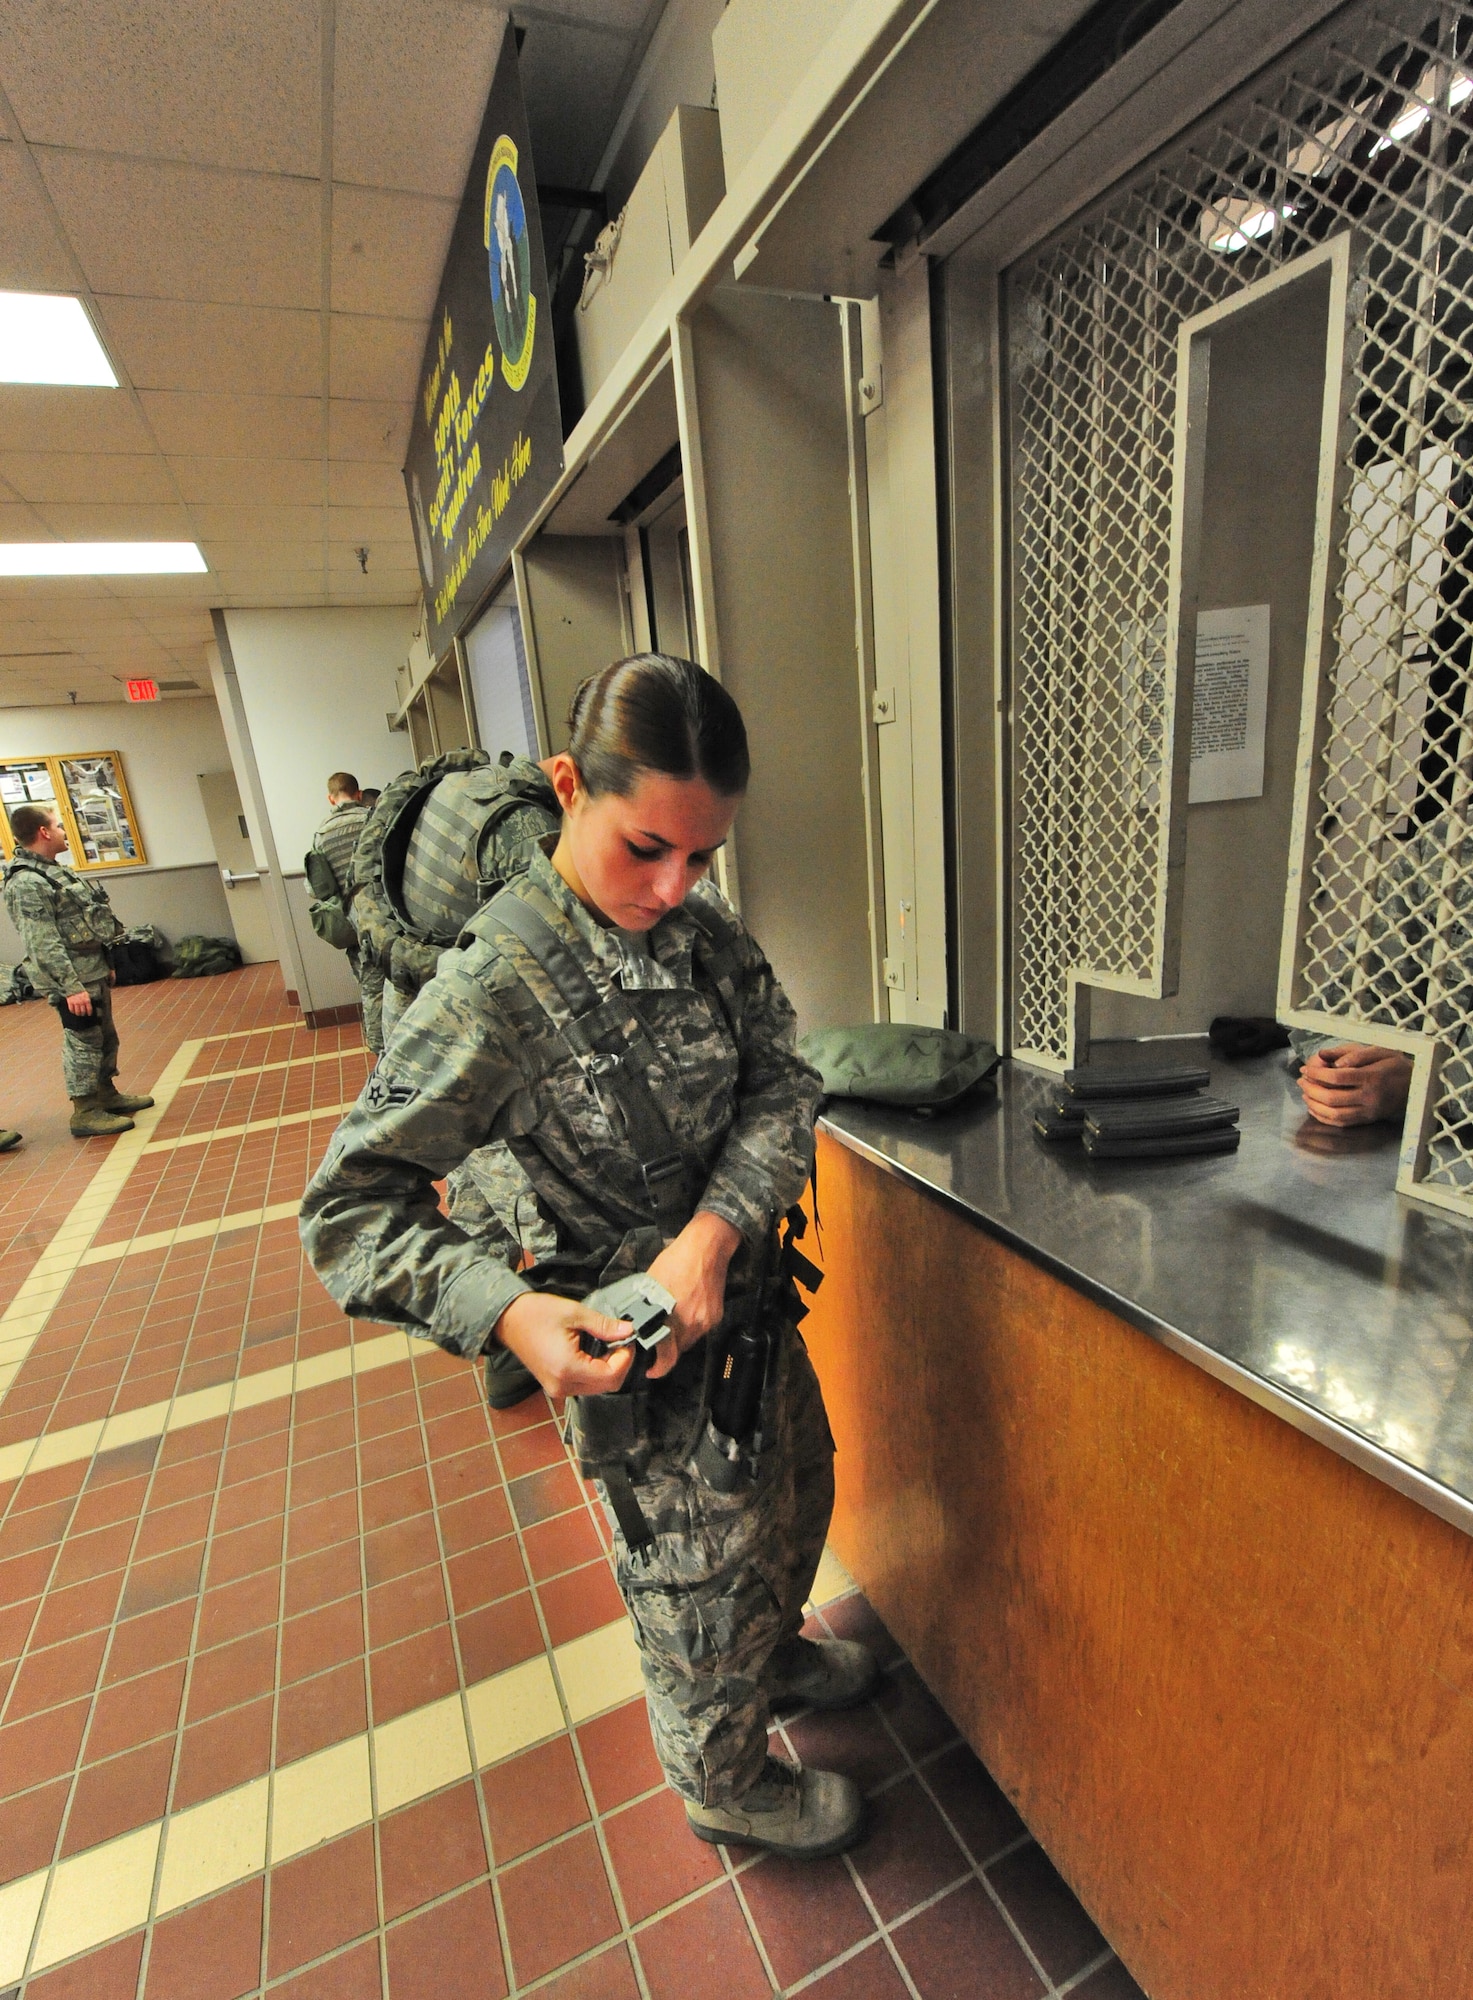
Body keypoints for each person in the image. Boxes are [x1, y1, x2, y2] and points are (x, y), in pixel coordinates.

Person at [301, 654, 873, 1860]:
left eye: (702, 855)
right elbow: (350, 1206)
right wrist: (509, 1315)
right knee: (694, 1596)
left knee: (792, 1503)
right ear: (568, 786)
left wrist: (713, 1236)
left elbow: (787, 1078)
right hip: (642, 1378)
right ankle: (726, 1779)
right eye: (645, 846)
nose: (673, 885)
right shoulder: (494, 987)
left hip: (751, 1318)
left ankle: (774, 1660)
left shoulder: (703, 938)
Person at [351, 747, 559, 1047]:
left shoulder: (458, 782)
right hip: (453, 1027)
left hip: (407, 1003)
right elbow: (546, 966)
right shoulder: (527, 827)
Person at [1291, 816, 1468, 1133]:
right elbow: (1346, 1003)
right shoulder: (1448, 844)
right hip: (1391, 1145)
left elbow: (1416, 1085)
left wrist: (1425, 1086)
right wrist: (1346, 1071)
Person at [2, 805, 154, 1137]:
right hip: (71, 978)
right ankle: (85, 1111)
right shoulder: (26, 882)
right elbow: (42, 943)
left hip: (91, 969)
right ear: (43, 832)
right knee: (83, 1042)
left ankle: (106, 1095)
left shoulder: (56, 871)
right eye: (58, 825)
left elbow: (87, 919)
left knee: (105, 1036)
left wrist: (107, 962)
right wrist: (70, 987)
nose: (64, 831)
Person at [309, 772, 384, 1055]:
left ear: (331, 798)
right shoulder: (372, 820)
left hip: (354, 926)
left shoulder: (321, 834)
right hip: (388, 918)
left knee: (371, 991)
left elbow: (316, 888)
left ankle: (380, 1054)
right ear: (358, 793)